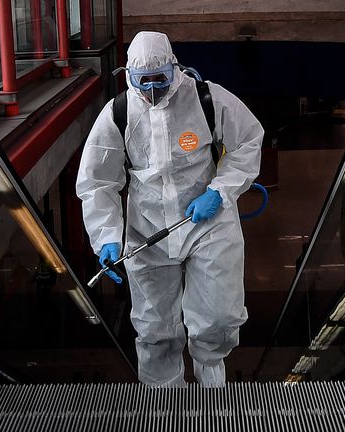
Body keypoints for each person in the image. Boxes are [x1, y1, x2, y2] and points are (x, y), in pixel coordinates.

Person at [76, 31, 263, 387]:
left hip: (208, 223)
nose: (150, 91)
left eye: (158, 81)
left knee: (219, 317)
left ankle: (212, 389)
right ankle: (165, 405)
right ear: (127, 75)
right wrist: (107, 239)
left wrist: (219, 191)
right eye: (140, 82)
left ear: (173, 68)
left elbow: (248, 141)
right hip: (147, 230)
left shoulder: (206, 98)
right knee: (155, 328)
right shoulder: (117, 113)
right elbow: (97, 182)